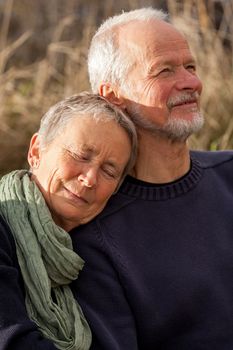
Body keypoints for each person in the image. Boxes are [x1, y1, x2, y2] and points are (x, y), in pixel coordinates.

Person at [70, 8, 233, 350]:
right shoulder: (94, 237)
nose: (191, 82)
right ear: (112, 95)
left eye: (190, 67)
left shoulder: (229, 173)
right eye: (164, 71)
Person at [0, 92, 137, 350]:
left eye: (109, 171)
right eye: (80, 156)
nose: (89, 179)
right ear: (36, 151)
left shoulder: (95, 255)